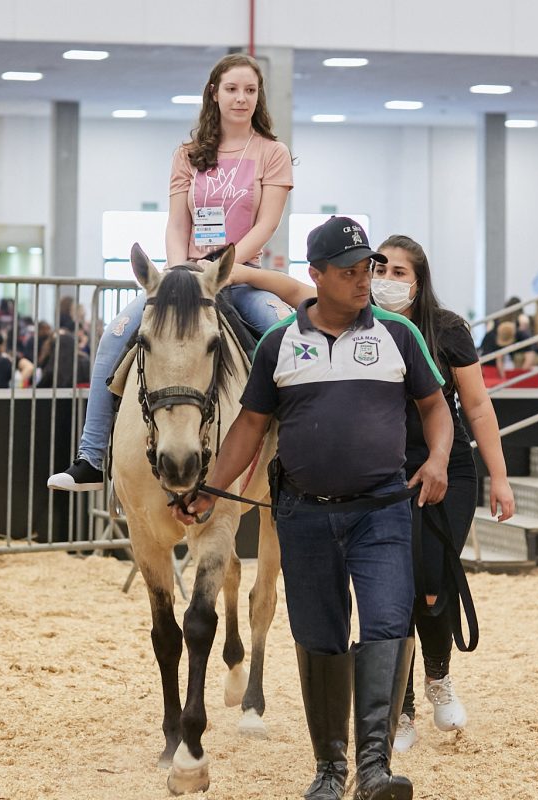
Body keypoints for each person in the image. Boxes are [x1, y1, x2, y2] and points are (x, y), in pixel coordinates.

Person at [176, 217, 454, 800]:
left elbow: (435, 405)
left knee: (384, 625)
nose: (364, 282)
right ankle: (330, 769)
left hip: (381, 512)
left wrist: (437, 461)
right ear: (317, 276)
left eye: (369, 270)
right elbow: (250, 425)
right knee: (319, 636)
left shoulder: (399, 335)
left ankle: (374, 768)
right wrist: (207, 487)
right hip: (303, 515)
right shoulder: (278, 344)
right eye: (351, 272)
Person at [230, 234, 518, 753]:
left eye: (394, 272)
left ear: (418, 279)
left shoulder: (436, 331)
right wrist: (242, 273)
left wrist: (497, 475)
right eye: (374, 268)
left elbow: (472, 407)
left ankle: (436, 678)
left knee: (431, 582)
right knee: (393, 596)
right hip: (383, 476)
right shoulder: (323, 313)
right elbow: (296, 287)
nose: (380, 280)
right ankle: (397, 713)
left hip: (439, 466)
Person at [48, 52, 293, 492]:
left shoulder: (272, 153)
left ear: (259, 97)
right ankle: (90, 455)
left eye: (250, 90)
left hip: (242, 277)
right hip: (186, 278)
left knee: (283, 330)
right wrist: (180, 269)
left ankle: (294, 454)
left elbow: (267, 224)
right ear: (214, 94)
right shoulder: (187, 154)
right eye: (233, 89)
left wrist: (224, 268)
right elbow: (178, 221)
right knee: (116, 332)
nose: (241, 98)